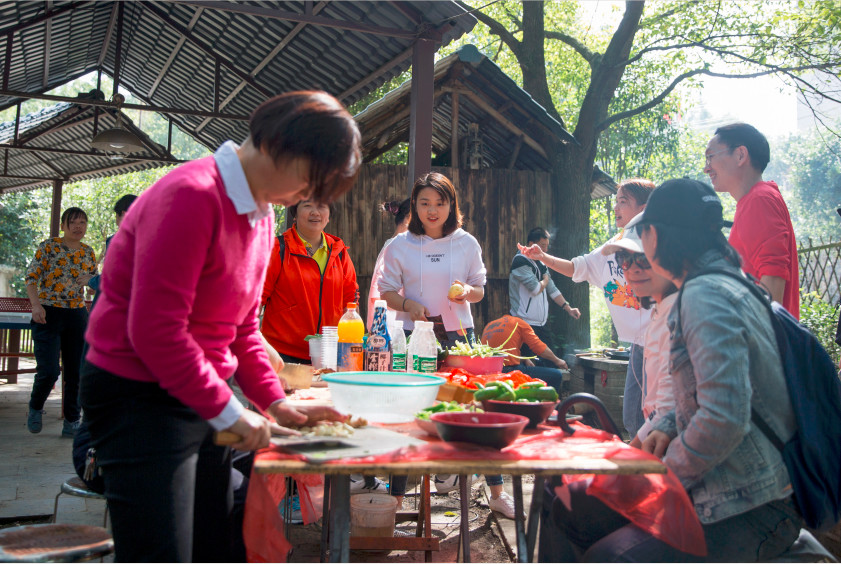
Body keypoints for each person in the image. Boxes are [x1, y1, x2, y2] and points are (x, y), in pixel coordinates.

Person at [79, 91, 360, 562]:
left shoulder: (262, 213)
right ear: (280, 145)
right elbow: (156, 331)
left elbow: (244, 329)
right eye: (310, 182)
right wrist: (230, 413)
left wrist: (274, 403)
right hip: (137, 394)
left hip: (203, 387)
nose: (307, 199)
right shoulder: (192, 195)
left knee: (219, 542)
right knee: (162, 551)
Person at [538, 178, 803, 561]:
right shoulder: (706, 287)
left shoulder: (705, 297)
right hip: (713, 486)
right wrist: (662, 428)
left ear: (659, 237)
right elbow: (702, 395)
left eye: (641, 245)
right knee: (563, 498)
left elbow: (723, 418)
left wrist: (654, 476)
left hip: (747, 505)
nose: (631, 263)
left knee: (610, 554)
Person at [378, 172, 515, 519]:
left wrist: (468, 293)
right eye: (424, 203)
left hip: (460, 336)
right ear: (415, 206)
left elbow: (480, 288)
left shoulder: (466, 242)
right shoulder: (399, 245)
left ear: (451, 204)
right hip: (413, 335)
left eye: (440, 203)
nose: (432, 210)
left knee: (474, 407)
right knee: (408, 408)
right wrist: (408, 305)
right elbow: (386, 290)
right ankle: (395, 498)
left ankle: (496, 491)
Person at [520, 179, 655, 438]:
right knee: (634, 417)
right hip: (639, 343)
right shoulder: (615, 243)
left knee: (653, 416)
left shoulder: (658, 239)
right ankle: (645, 468)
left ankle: (657, 469)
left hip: (661, 339)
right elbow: (576, 267)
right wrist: (543, 257)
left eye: (623, 201)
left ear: (645, 207)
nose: (616, 207)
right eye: (615, 201)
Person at [704, 122, 799, 318]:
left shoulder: (759, 200)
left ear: (740, 155)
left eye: (710, 157)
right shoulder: (758, 198)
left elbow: (772, 285)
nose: (706, 168)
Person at [600, 212, 677, 449]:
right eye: (624, 258)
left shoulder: (679, 314)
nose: (631, 268)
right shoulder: (659, 308)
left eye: (642, 258)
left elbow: (670, 405)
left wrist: (630, 452)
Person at [25, 207, 97, 437]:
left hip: (76, 315)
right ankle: (36, 406)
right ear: (63, 226)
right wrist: (36, 306)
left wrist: (94, 282)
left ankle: (72, 421)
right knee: (49, 371)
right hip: (48, 313)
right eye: (73, 222)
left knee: (75, 371)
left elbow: (94, 285)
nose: (78, 226)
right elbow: (31, 278)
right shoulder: (49, 247)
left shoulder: (88, 252)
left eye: (83, 222)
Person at [261, 198, 358, 364]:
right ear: (295, 213)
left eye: (321, 205)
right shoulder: (278, 249)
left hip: (329, 355)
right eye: (307, 206)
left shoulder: (339, 252)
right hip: (281, 357)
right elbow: (255, 302)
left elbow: (350, 303)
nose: (315, 212)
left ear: (329, 215)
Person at [509, 226, 580, 362]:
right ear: (531, 244)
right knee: (532, 368)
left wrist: (568, 308)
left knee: (550, 364)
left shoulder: (541, 263)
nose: (545, 250)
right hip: (525, 324)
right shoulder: (519, 261)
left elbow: (552, 289)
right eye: (542, 246)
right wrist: (545, 279)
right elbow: (536, 288)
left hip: (542, 325)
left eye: (547, 246)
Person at [480, 314, 569, 393]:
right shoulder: (520, 322)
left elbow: (502, 354)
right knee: (556, 375)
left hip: (488, 371)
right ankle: (549, 409)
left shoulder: (490, 325)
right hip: (509, 371)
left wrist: (523, 358)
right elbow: (538, 346)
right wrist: (557, 360)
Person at [366, 198, 411, 329]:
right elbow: (378, 293)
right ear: (410, 218)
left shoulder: (396, 244)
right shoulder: (397, 246)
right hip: (392, 325)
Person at [86, 194, 137, 305]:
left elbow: (113, 277)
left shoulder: (117, 240)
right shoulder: (154, 240)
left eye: (116, 216)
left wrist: (91, 281)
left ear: (123, 214)